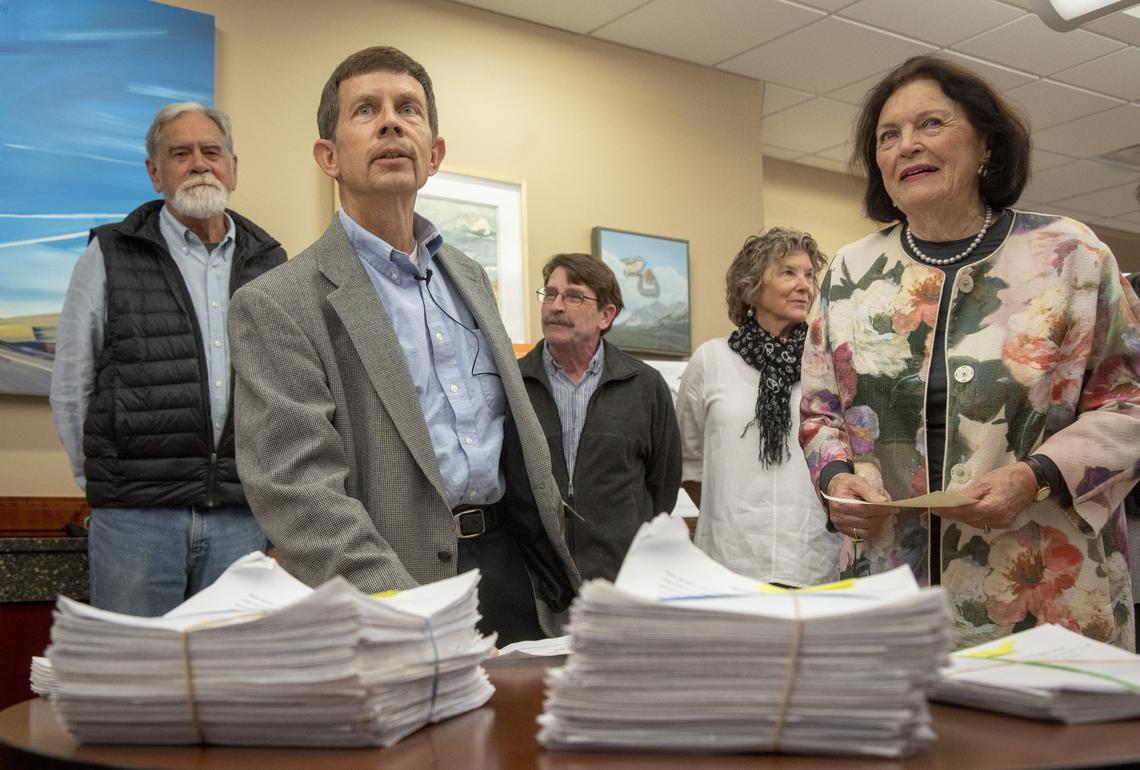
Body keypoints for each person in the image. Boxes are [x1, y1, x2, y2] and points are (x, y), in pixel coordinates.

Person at [227, 46, 578, 645]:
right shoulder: (276, 302)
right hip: (391, 589)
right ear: (328, 156)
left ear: (434, 153)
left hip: (511, 572)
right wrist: (398, 611)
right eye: (366, 110)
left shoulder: (470, 278)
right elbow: (298, 492)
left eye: (408, 109)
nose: (391, 122)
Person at [799, 55, 1139, 650]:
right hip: (888, 590)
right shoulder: (852, 272)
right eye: (888, 135)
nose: (907, 145)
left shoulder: (1071, 256)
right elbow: (819, 409)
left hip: (1041, 592)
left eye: (931, 124)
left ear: (986, 143)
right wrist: (836, 478)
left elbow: (1129, 404)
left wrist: (1037, 477)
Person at [50, 103, 286, 615]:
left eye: (211, 151)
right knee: (136, 681)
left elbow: (287, 391)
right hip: (136, 520)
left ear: (233, 167)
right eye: (180, 153)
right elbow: (72, 384)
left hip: (242, 517)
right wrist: (104, 484)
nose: (199, 163)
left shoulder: (271, 262)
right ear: (155, 173)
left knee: (228, 681)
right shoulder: (110, 254)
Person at [677, 228, 839, 587]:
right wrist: (733, 520)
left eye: (809, 275)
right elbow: (689, 462)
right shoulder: (710, 359)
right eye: (788, 272)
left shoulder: (826, 364)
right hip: (728, 563)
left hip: (812, 560)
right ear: (752, 285)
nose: (805, 285)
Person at [516, 253, 681, 582]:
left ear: (606, 315)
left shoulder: (645, 386)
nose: (556, 306)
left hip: (620, 579)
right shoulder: (513, 383)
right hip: (535, 584)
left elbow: (662, 488)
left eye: (573, 296)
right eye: (550, 294)